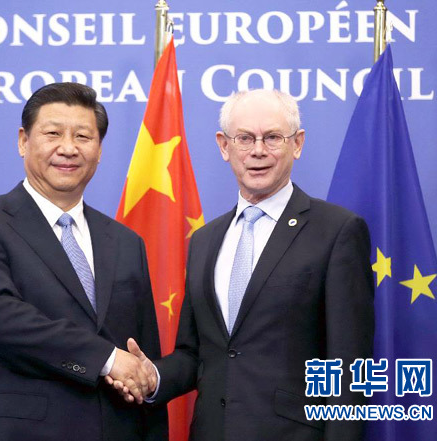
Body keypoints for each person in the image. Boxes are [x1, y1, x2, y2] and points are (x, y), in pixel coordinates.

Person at [119, 89, 374, 440]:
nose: (258, 151)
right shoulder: (205, 240)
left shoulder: (337, 231)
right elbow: (196, 354)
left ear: (297, 144)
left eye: (273, 137)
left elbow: (350, 367)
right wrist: (155, 376)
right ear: (224, 146)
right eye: (244, 138)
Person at [0, 82, 167, 441]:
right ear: (23, 141)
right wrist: (107, 359)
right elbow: (3, 321)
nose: (68, 148)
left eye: (83, 136)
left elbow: (141, 357)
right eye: (53, 133)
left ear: (99, 150)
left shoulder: (126, 242)